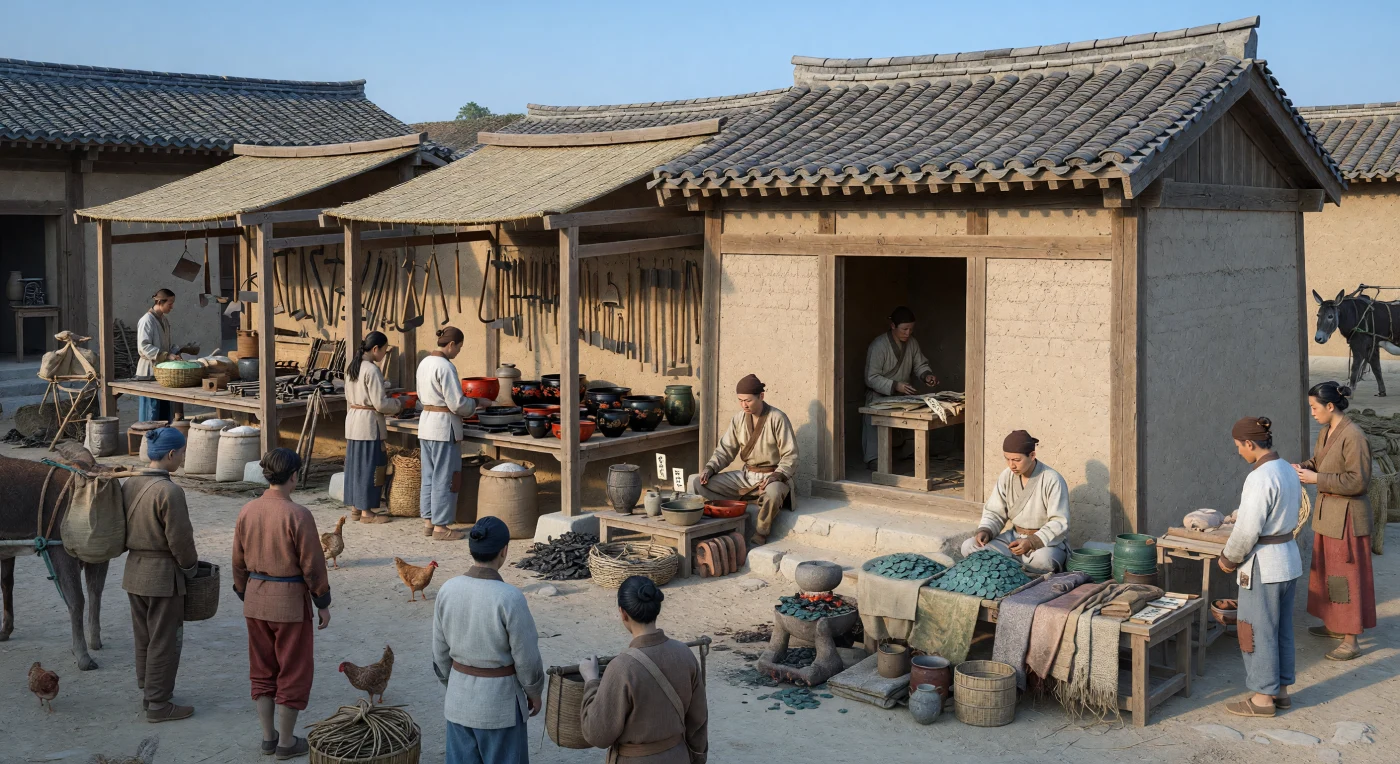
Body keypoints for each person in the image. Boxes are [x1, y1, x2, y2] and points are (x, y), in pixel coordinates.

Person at [232, 448, 332, 759]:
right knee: (293, 670)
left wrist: (244, 592)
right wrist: (322, 602)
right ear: (293, 476)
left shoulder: (247, 510)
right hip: (289, 605)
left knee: (262, 670)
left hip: (255, 600)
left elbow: (237, 561)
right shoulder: (299, 514)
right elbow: (313, 565)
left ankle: (267, 738)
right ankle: (287, 742)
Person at [432, 516, 544, 764]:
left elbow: (439, 654)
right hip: (501, 708)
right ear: (504, 551)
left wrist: (458, 684)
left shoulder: (447, 589)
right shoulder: (510, 598)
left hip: (458, 703)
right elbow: (527, 658)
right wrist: (534, 691)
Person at [1219, 416, 1302, 718]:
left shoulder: (1259, 477)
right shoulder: (1286, 469)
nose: (1239, 451)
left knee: (1254, 629)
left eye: (1239, 446)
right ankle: (1281, 691)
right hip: (1288, 560)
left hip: (1264, 565)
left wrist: (1228, 559)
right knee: (1281, 629)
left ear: (1250, 444)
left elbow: (1247, 530)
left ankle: (1262, 698)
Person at [580, 575, 708, 764]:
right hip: (678, 757)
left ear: (623, 613)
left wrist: (591, 681)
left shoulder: (622, 667)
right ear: (657, 608)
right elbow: (698, 721)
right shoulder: (684, 654)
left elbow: (597, 734)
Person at [1293, 381, 1377, 661]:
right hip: (1329, 515)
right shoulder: (1326, 431)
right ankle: (1335, 624)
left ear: (1330, 406)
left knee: (1345, 577)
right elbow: (1319, 461)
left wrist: (1317, 479)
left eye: (1315, 408)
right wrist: (1302, 467)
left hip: (1348, 520)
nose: (1313, 413)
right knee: (1327, 573)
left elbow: (1359, 481)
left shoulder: (1354, 436)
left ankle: (1351, 639)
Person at [121, 427, 198, 722]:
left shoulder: (130, 484)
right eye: (181, 453)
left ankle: (148, 690)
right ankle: (158, 703)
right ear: (170, 455)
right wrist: (190, 569)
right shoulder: (170, 491)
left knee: (144, 636)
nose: (182, 457)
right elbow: (181, 541)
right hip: (163, 577)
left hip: (134, 572)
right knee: (164, 639)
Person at [688, 374, 798, 546]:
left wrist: (777, 475)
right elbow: (725, 450)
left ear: (761, 396)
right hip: (746, 477)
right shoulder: (738, 419)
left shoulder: (777, 418)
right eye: (740, 400)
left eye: (748, 400)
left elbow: (790, 455)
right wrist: (710, 468)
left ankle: (761, 532)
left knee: (774, 492)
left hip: (772, 477)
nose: (744, 405)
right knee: (697, 483)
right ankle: (728, 517)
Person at [416, 326, 494, 541]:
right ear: (451, 345)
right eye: (458, 347)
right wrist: (478, 402)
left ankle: (429, 522)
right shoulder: (445, 367)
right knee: (447, 477)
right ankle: (441, 528)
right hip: (442, 427)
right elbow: (457, 404)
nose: (458, 351)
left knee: (430, 476)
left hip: (426, 425)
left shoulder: (424, 363)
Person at [960, 430, 1069, 572]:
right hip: (1012, 539)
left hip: (1043, 544)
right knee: (969, 546)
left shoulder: (1052, 479)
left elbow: (1059, 522)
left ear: (1032, 455)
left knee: (1044, 560)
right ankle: (1014, 567)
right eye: (1007, 459)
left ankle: (1009, 567)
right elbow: (995, 512)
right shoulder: (1006, 476)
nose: (1011, 465)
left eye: (1017, 460)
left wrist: (1031, 542)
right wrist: (986, 530)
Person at [862, 306, 939, 468]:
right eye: (904, 329)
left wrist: (926, 375)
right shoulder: (878, 346)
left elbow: (920, 364)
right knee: (875, 427)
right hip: (880, 396)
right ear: (892, 326)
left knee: (910, 424)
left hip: (902, 396)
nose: (908, 333)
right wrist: (895, 385)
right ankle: (875, 459)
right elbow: (871, 378)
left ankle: (904, 456)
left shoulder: (912, 343)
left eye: (911, 329)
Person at [344, 331, 402, 524]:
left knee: (355, 467)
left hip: (353, 421)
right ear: (375, 349)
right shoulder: (371, 369)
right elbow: (381, 404)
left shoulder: (353, 366)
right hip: (368, 423)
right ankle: (367, 513)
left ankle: (355, 508)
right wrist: (400, 403)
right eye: (384, 350)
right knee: (371, 467)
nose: (384, 354)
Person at [136, 288, 196, 422]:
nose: (172, 307)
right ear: (160, 302)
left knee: (164, 409)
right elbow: (143, 347)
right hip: (149, 372)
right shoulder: (147, 321)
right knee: (151, 411)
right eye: (170, 303)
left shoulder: (164, 321)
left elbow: (166, 346)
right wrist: (167, 355)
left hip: (163, 372)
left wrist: (177, 351)